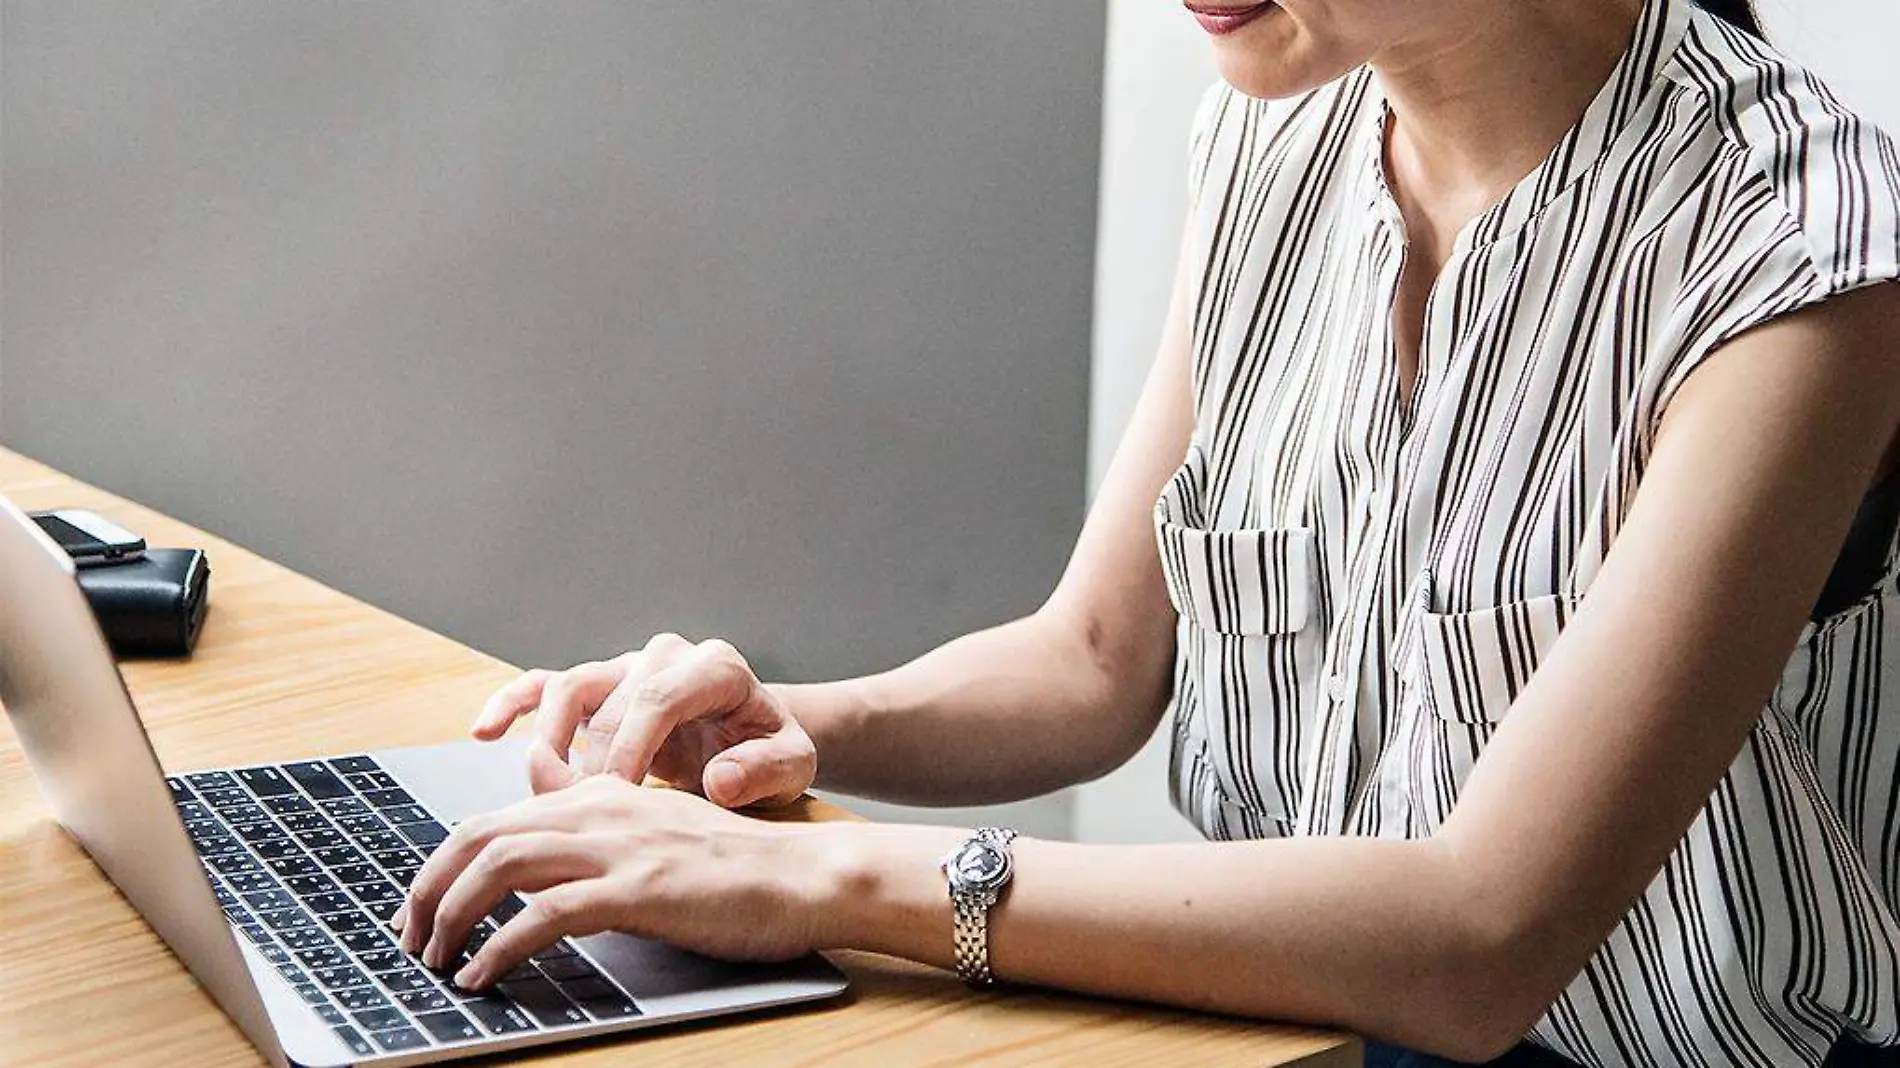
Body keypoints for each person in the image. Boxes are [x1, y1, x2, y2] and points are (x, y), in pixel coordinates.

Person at [391, 0, 1900, 1064]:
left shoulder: (1801, 251)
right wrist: (778, 732)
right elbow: (1096, 658)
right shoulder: (1275, 136)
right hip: (1292, 1039)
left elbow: (1478, 935)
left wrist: (824, 886)